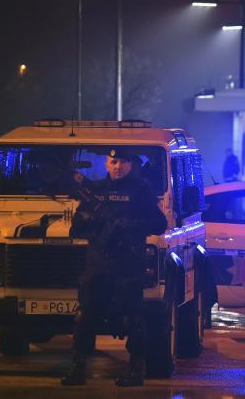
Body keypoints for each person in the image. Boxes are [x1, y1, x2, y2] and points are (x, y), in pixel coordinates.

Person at [62, 148, 167, 387]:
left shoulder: (141, 191)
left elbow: (159, 223)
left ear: (130, 165)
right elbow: (76, 229)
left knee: (133, 317)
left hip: (127, 264)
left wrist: (128, 225)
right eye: (113, 162)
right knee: (85, 316)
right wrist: (91, 222)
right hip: (98, 264)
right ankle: (78, 367)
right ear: (107, 164)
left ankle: (136, 370)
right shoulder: (95, 192)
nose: (118, 167)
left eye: (122, 162)